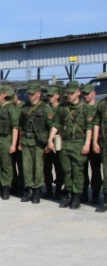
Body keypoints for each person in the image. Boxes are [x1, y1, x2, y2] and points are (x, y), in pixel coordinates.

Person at [47, 81, 93, 209]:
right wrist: (50, 139)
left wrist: (87, 143)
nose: (70, 95)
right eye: (68, 93)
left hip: (78, 143)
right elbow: (56, 124)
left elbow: (89, 127)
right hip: (65, 143)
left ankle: (77, 196)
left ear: (78, 93)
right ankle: (69, 195)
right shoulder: (62, 108)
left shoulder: (85, 108)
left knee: (77, 171)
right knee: (66, 170)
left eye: (72, 93)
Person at [19, 83, 53, 204]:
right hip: (26, 140)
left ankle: (37, 190)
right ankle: (28, 190)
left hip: (39, 142)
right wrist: (20, 141)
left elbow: (51, 126)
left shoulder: (45, 108)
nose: (30, 96)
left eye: (33, 94)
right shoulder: (25, 107)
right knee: (26, 167)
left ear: (39, 94)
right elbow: (21, 125)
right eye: (29, 94)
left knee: (38, 167)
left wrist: (50, 141)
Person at [81, 84, 101, 204]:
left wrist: (94, 142)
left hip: (95, 143)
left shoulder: (99, 107)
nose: (85, 96)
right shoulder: (80, 108)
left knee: (95, 169)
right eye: (84, 94)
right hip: (81, 142)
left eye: (88, 94)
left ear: (94, 94)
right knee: (82, 170)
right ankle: (83, 193)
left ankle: (95, 193)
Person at [43, 87, 64, 199]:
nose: (49, 98)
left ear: (57, 96)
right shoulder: (45, 108)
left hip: (58, 141)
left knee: (59, 167)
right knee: (46, 168)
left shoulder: (62, 109)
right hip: (46, 141)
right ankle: (49, 190)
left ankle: (58, 190)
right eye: (48, 96)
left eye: (52, 95)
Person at [93, 91, 107, 212]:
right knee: (106, 172)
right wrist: (94, 142)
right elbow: (96, 124)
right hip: (104, 143)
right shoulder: (102, 104)